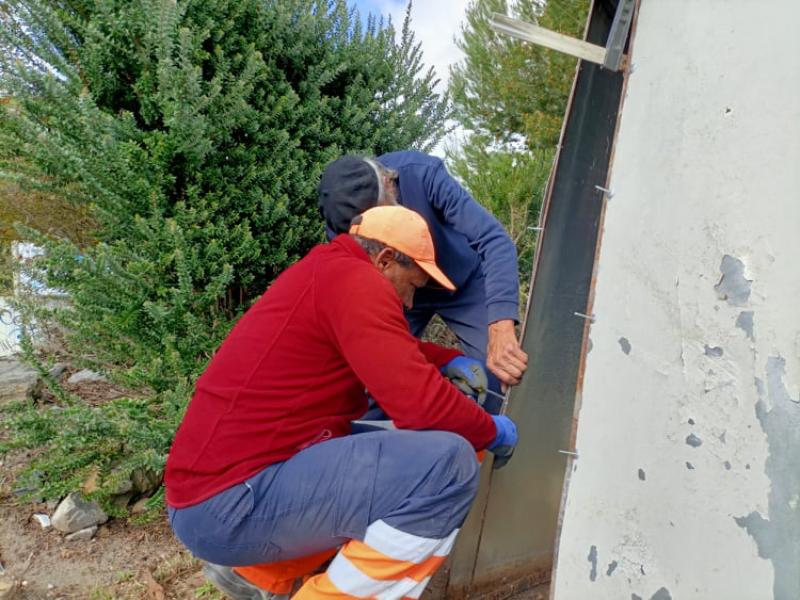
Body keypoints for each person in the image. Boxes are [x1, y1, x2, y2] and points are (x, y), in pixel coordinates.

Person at [164, 206, 519, 599]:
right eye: (412, 285)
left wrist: (447, 359)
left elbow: (385, 344)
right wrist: (490, 431)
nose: (409, 301)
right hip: (231, 504)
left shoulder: (330, 272)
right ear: (385, 260)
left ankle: (258, 576)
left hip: (219, 495)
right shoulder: (356, 282)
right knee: (446, 464)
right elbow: (421, 406)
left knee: (400, 453)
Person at [318, 151, 529, 405]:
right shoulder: (343, 226)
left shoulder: (422, 173)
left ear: (388, 184)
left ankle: (496, 432)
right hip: (400, 295)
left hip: (462, 282)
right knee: (372, 384)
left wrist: (500, 327)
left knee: (502, 370)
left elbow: (494, 240)